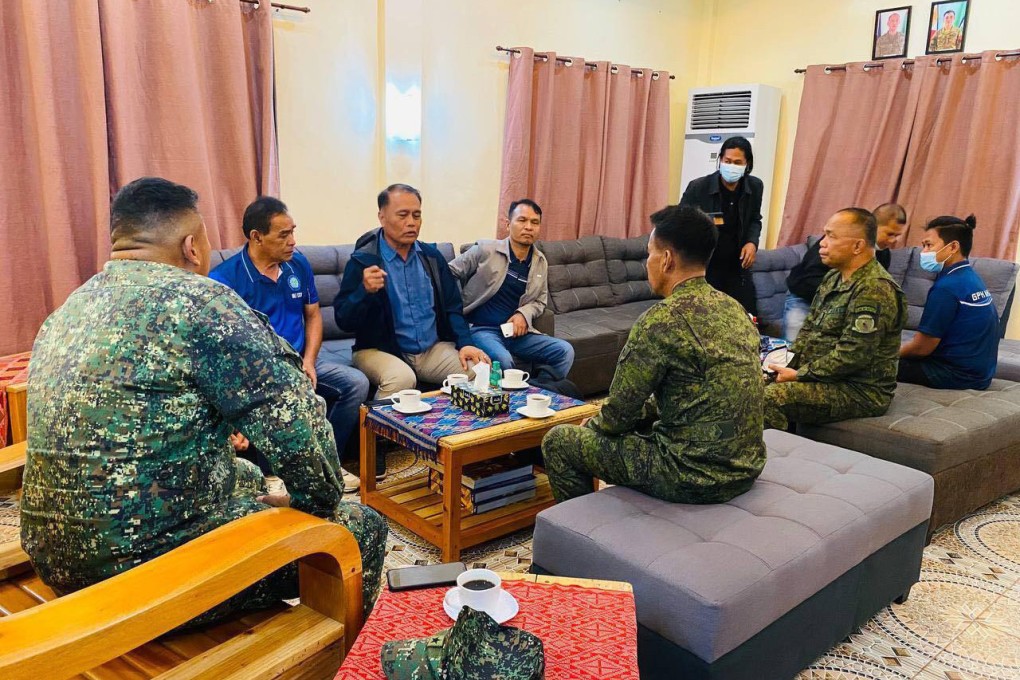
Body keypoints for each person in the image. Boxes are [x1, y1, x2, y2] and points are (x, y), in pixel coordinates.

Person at [20, 177, 387, 622]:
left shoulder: (68, 310)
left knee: (250, 475)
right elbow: (301, 435)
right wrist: (312, 516)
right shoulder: (204, 303)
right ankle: (329, 661)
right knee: (360, 528)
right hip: (145, 577)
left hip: (55, 558)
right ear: (192, 246)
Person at [541, 205, 766, 504]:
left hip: (690, 476)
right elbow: (689, 393)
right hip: (745, 469)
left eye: (649, 254)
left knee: (559, 441)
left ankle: (581, 531)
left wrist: (595, 425)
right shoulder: (734, 308)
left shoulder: (661, 320)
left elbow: (619, 414)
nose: (647, 262)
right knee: (643, 418)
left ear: (667, 260)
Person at [210, 197, 367, 493]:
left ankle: (329, 464)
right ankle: (277, 473)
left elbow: (313, 314)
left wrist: (309, 360)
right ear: (256, 237)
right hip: (261, 369)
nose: (293, 241)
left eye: (293, 232)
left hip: (301, 359)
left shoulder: (298, 264)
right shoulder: (225, 279)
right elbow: (225, 349)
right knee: (284, 393)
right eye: (283, 235)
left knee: (355, 384)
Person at [765, 208, 907, 430]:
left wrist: (800, 375)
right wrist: (783, 365)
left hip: (859, 390)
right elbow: (808, 331)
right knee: (746, 382)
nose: (822, 243)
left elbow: (853, 355)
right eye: (824, 235)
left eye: (831, 236)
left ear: (857, 246)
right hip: (823, 377)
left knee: (772, 397)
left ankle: (765, 461)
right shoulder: (832, 277)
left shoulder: (874, 289)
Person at [448, 199, 574, 382]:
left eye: (534, 222)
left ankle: (539, 391)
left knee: (564, 351)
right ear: (508, 224)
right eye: (522, 220)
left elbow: (540, 301)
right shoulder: (485, 249)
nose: (528, 227)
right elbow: (448, 272)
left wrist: (523, 314)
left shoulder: (540, 262)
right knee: (504, 362)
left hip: (517, 334)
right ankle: (520, 395)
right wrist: (455, 305)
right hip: (482, 330)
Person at [899, 215, 999, 390]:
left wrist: (885, 354)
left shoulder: (947, 288)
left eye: (929, 245)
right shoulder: (970, 277)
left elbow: (922, 348)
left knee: (870, 365)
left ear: (953, 247)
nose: (923, 253)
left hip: (953, 375)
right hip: (980, 374)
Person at [784, 203, 907, 341]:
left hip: (833, 304)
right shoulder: (830, 249)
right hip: (803, 296)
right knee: (795, 344)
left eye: (897, 235)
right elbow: (805, 280)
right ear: (873, 228)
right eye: (890, 234)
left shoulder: (882, 258)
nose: (893, 240)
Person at [679, 135, 763, 314]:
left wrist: (752, 242)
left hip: (738, 265)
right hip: (707, 266)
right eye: (727, 161)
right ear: (720, 160)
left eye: (737, 162)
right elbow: (680, 222)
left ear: (747, 164)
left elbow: (755, 219)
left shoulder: (755, 186)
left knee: (747, 317)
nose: (731, 166)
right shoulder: (698, 187)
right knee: (710, 318)